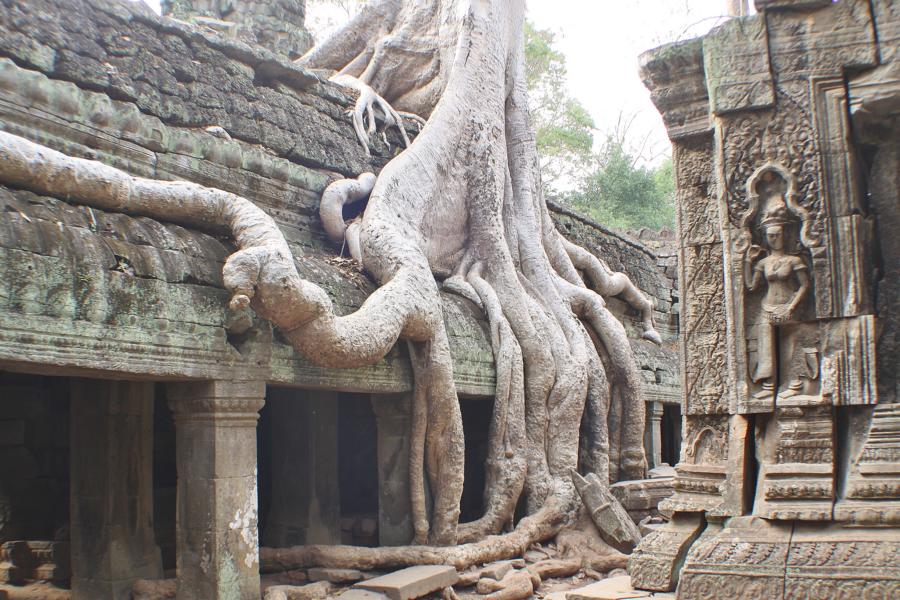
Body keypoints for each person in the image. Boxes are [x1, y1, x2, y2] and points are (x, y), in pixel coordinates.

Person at [744, 200, 810, 399]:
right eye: (770, 235)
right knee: (766, 347)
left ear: (785, 234)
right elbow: (751, 286)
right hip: (768, 306)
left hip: (789, 306)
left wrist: (792, 306)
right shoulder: (763, 262)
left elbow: (805, 285)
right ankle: (769, 385)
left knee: (790, 345)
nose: (774, 239)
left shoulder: (794, 260)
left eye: (777, 234)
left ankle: (795, 384)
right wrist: (748, 260)